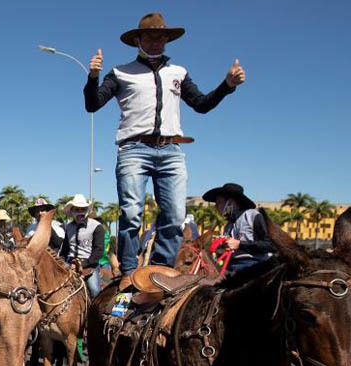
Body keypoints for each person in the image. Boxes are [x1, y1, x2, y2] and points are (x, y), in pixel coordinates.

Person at [85, 12, 246, 289]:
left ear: (167, 40)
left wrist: (227, 86)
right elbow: (93, 104)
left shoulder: (178, 72)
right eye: (150, 36)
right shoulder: (121, 72)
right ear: (138, 40)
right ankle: (128, 271)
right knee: (132, 212)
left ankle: (160, 269)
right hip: (134, 149)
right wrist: (93, 77)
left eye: (162, 37)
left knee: (173, 215)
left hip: (171, 150)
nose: (157, 41)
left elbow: (202, 104)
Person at [202, 183, 274, 273]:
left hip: (253, 264)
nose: (216, 206)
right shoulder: (229, 225)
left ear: (231, 202)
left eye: (219, 202)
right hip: (231, 265)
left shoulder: (253, 215)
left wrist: (239, 244)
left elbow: (270, 245)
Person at [59, 195, 105, 297]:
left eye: (83, 209)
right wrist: (60, 262)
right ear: (72, 212)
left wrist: (82, 264)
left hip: (89, 264)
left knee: (94, 290)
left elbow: (99, 251)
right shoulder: (68, 227)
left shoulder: (97, 227)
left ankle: (95, 312)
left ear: (87, 211)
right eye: (77, 209)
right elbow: (65, 249)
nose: (80, 212)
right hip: (69, 263)